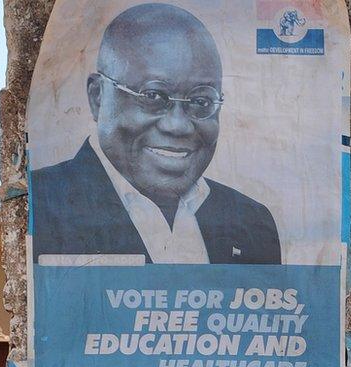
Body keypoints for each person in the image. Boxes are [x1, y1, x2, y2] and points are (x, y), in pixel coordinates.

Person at [32, 3, 280, 264]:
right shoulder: (42, 204)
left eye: (201, 101)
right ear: (98, 96)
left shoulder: (251, 223)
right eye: (153, 96)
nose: (178, 125)